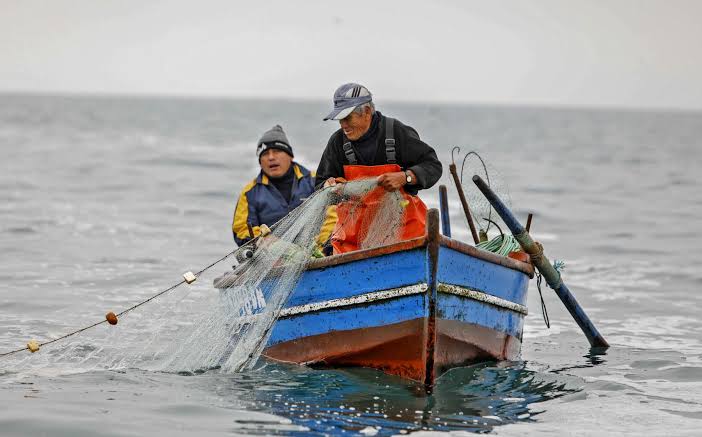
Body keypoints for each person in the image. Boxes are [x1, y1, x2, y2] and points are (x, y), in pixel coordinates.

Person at [315, 83, 442, 253]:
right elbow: (320, 183)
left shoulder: (395, 132)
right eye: (340, 119)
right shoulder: (337, 142)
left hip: (405, 235)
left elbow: (432, 165)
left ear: (367, 112)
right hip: (353, 241)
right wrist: (328, 186)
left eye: (347, 117)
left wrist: (406, 177)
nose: (343, 125)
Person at [232, 125, 331, 247]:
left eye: (277, 151)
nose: (271, 157)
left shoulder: (316, 181)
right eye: (265, 153)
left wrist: (320, 245)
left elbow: (333, 215)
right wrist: (265, 240)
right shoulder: (249, 193)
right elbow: (241, 230)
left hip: (318, 251)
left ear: (290, 155)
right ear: (260, 161)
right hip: (270, 258)